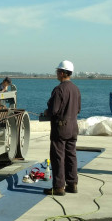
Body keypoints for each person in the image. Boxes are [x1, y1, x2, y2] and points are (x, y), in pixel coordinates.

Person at [42, 60, 81, 196]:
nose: (57, 74)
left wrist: (47, 112)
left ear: (63, 73)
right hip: (73, 128)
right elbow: (78, 109)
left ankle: (59, 187)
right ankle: (72, 184)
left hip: (60, 129)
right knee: (71, 156)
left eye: (58, 71)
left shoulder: (59, 89)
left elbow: (53, 110)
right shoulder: (76, 89)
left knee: (58, 157)